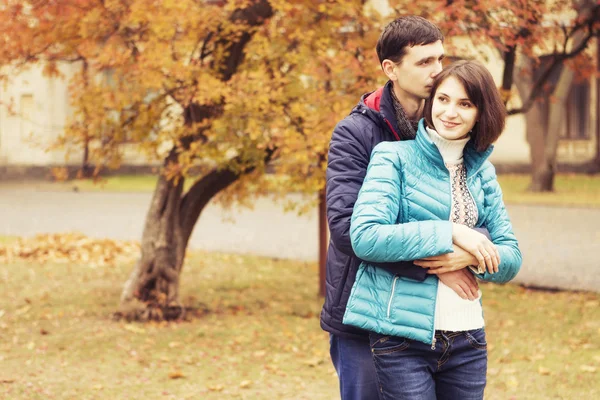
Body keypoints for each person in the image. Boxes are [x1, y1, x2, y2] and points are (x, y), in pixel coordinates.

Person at [321, 16, 489, 400]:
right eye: (424, 62)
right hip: (364, 311)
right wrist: (441, 258)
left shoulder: (448, 127)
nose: (437, 72)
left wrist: (471, 245)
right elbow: (348, 229)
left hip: (432, 319)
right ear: (391, 69)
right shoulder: (356, 133)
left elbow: (473, 215)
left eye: (439, 59)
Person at [343, 60, 523, 399]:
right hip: (402, 339)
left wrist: (467, 256)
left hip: (468, 338)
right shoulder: (393, 157)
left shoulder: (484, 173)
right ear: (431, 102)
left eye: (465, 104)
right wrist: (451, 231)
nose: (450, 112)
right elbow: (366, 236)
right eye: (443, 99)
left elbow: (511, 258)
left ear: (481, 113)